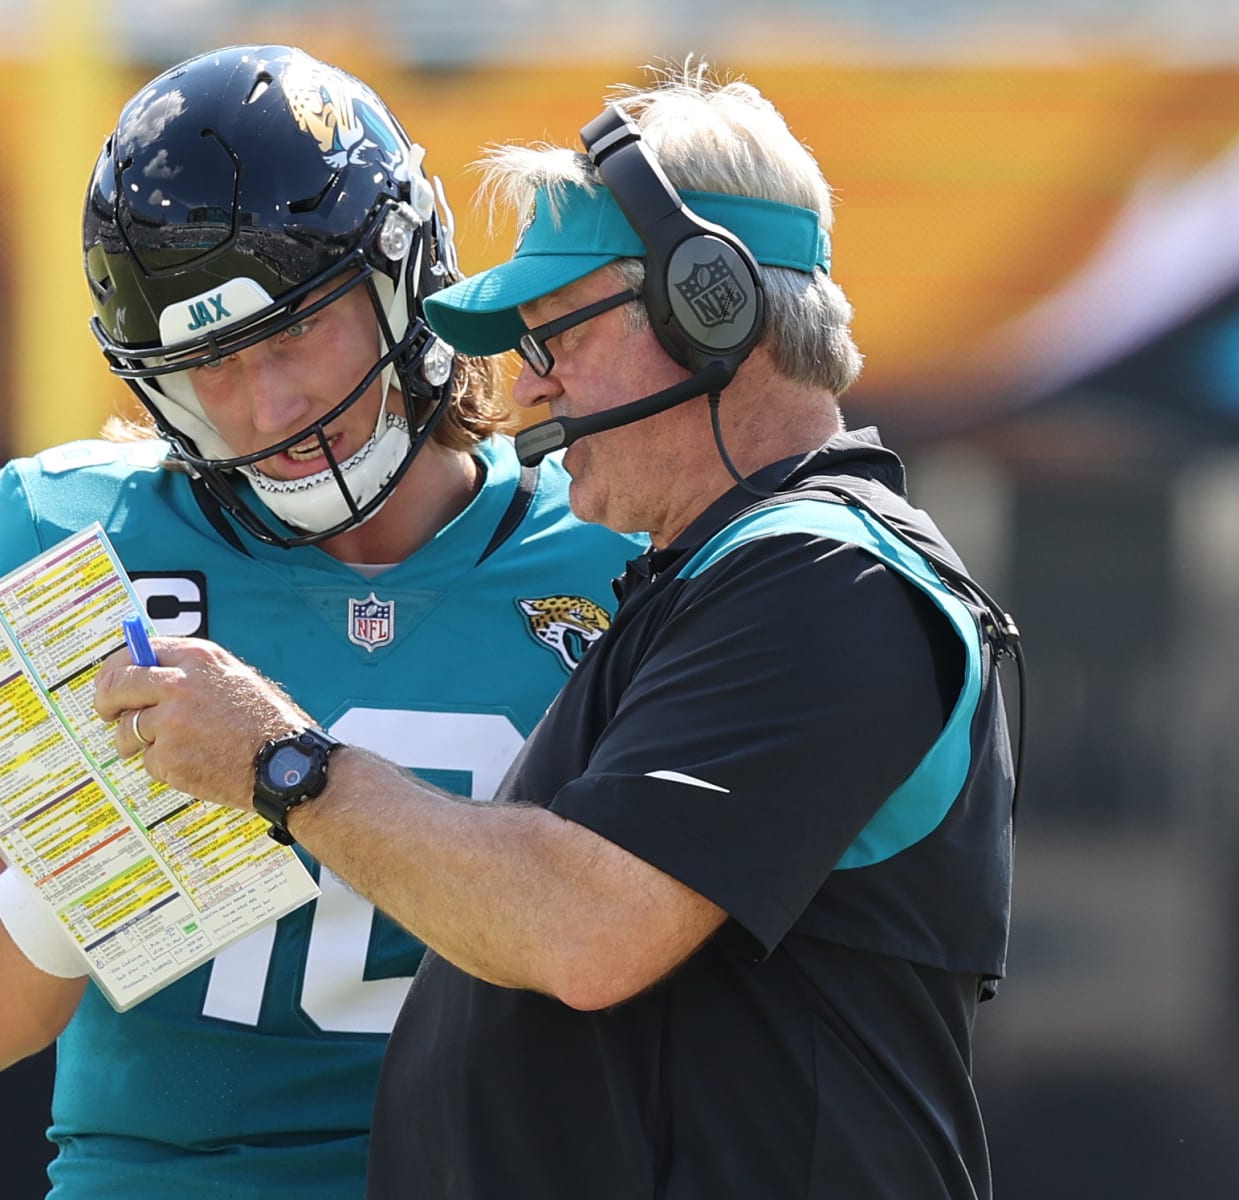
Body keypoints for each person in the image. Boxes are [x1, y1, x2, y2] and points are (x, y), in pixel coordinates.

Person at [95, 60, 1019, 1199]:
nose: (524, 390)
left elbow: (588, 927)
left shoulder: (828, 579)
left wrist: (285, 765)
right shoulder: (729, 577)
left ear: (709, 307)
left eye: (554, 337)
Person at [0, 44, 644, 1199]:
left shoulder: (612, 546)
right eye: (209, 367)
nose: (270, 408)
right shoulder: (84, 549)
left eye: (295, 331)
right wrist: (95, 851)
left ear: (404, 277)